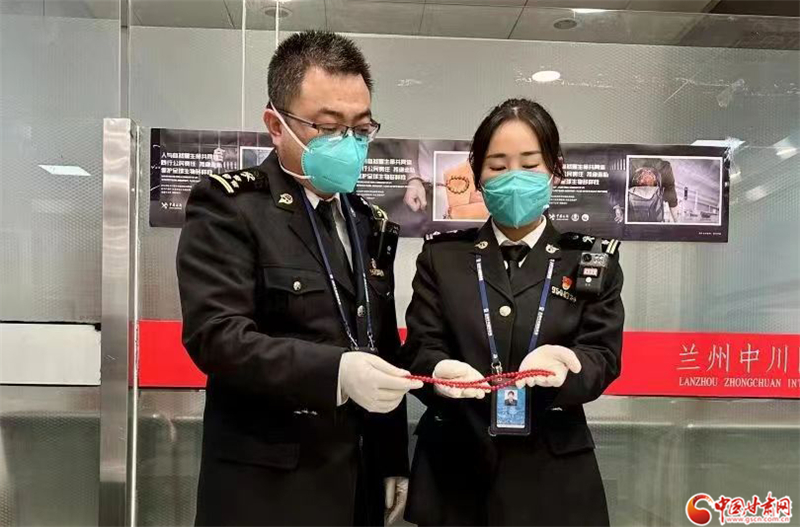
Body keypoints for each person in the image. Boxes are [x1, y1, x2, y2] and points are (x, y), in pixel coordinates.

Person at [176, 30, 421, 526]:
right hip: (267, 489)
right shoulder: (232, 207)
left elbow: (380, 347)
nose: (348, 144)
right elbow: (217, 337)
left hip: (357, 482)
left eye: (361, 129)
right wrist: (335, 373)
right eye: (327, 127)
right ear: (276, 124)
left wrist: (392, 454)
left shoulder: (366, 221)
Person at [400, 98, 625, 526]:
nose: (514, 177)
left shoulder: (588, 260)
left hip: (553, 477)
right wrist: (440, 371)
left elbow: (603, 356)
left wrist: (567, 368)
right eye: (498, 166)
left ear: (555, 171)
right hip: (454, 473)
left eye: (530, 164)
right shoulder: (443, 258)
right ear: (478, 176)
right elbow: (419, 349)